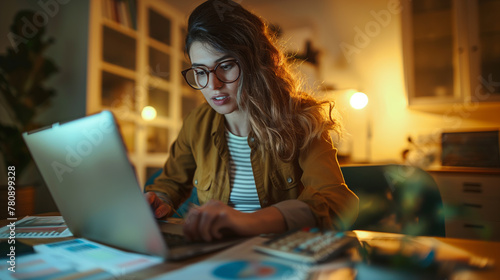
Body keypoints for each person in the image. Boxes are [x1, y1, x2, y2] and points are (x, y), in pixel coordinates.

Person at [145, 0, 359, 242]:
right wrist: (158, 200)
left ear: (257, 62)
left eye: (225, 66)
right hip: (215, 254)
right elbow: (170, 182)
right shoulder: (197, 122)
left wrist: (248, 222)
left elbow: (335, 201)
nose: (213, 85)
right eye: (201, 72)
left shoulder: (303, 119)